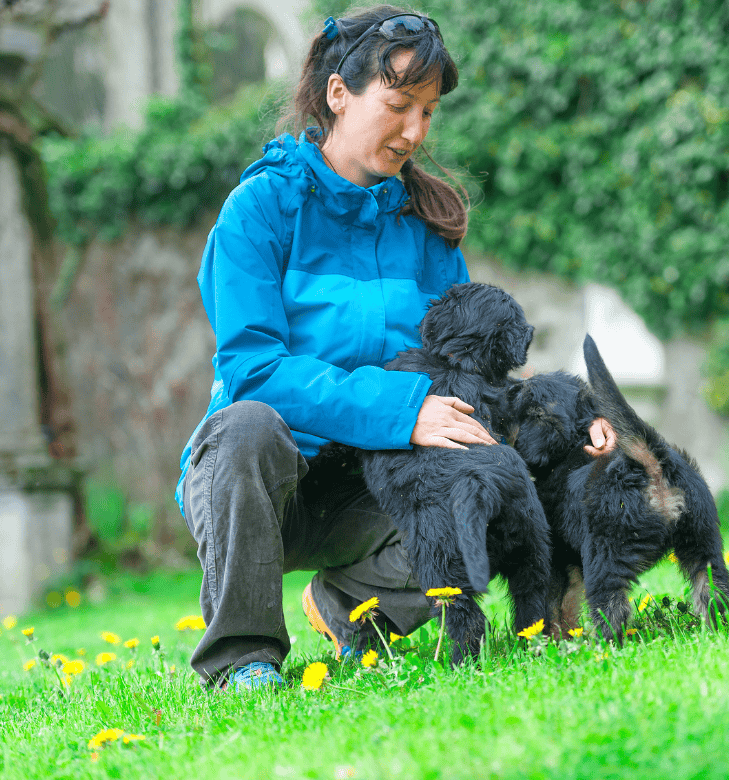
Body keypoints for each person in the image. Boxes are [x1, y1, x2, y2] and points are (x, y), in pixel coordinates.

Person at [175, 4, 616, 691]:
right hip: (261, 483)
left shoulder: (428, 227)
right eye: (400, 104)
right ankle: (245, 661)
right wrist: (403, 408)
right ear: (338, 94)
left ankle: (348, 610)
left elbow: (476, 375)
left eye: (430, 112)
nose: (415, 131)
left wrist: (568, 418)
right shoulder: (259, 210)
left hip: (383, 482)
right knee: (246, 427)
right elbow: (252, 370)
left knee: (487, 479)